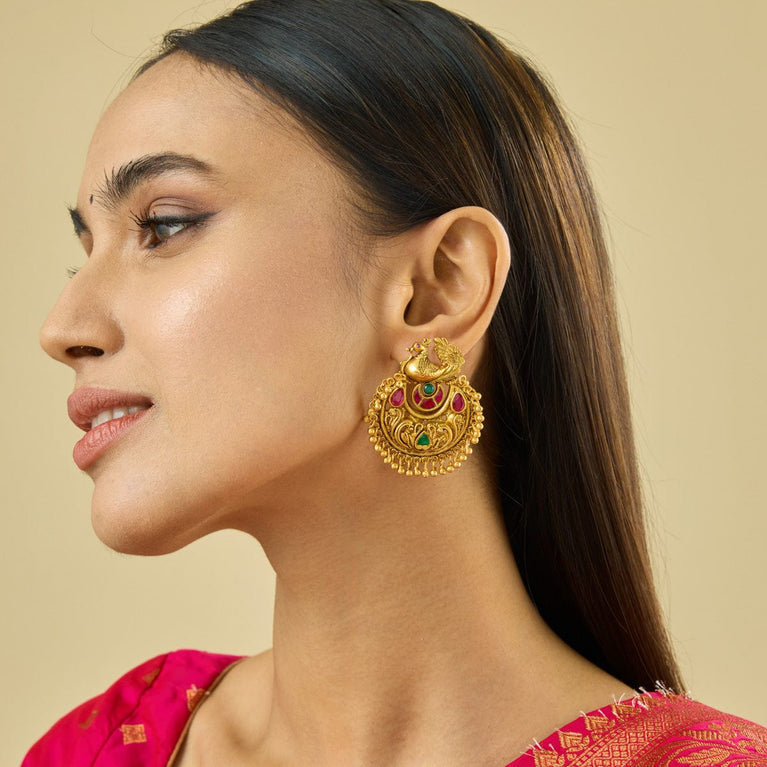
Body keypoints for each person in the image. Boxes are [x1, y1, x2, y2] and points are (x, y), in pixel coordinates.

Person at [23, 0, 767, 765]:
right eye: (85, 250)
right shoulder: (103, 747)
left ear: (437, 288)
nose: (62, 326)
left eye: (164, 225)